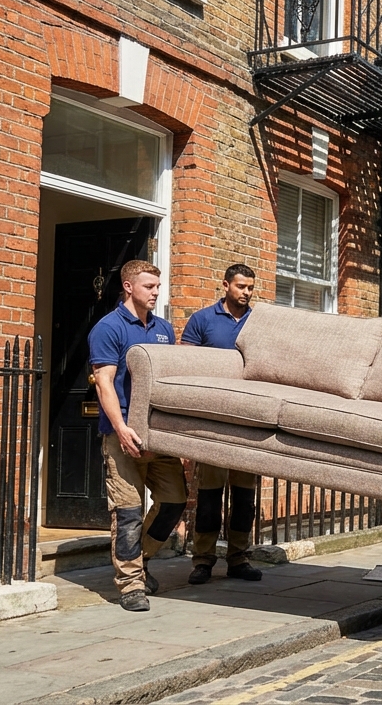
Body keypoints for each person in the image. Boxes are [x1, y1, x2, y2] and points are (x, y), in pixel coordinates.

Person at [88, 260, 186, 612]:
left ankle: (140, 561)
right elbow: (105, 383)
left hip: (157, 435)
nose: (155, 292)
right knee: (128, 512)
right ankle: (130, 585)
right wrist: (120, 427)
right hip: (123, 436)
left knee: (174, 501)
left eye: (157, 287)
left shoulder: (163, 329)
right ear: (128, 287)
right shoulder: (109, 327)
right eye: (149, 286)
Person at [183, 264, 262, 585]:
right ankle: (202, 561)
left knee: (244, 500)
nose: (246, 293)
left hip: (248, 420)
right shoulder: (202, 320)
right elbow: (185, 364)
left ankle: (239, 558)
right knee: (209, 499)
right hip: (212, 420)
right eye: (241, 286)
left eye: (250, 288)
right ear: (226, 284)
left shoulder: (258, 323)